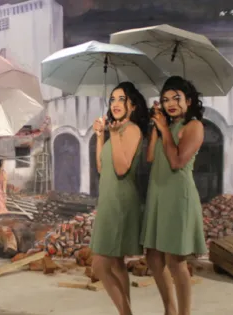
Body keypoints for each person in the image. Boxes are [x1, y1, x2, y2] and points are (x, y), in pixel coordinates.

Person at [141, 76, 208, 315]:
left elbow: (177, 161)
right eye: (166, 99)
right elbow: (150, 157)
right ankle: (169, 309)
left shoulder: (194, 126)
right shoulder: (165, 127)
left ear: (188, 101)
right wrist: (157, 130)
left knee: (175, 261)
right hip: (158, 193)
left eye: (176, 98)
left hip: (178, 195)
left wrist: (165, 131)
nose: (171, 103)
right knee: (153, 257)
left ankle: (184, 313)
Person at [90, 81, 150, 315]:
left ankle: (126, 314)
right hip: (108, 200)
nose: (115, 104)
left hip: (121, 203)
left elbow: (123, 168)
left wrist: (113, 135)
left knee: (100, 265)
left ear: (132, 106)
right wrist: (99, 136)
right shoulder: (114, 131)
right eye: (112, 99)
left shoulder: (132, 130)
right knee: (115, 264)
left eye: (121, 99)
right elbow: (101, 167)